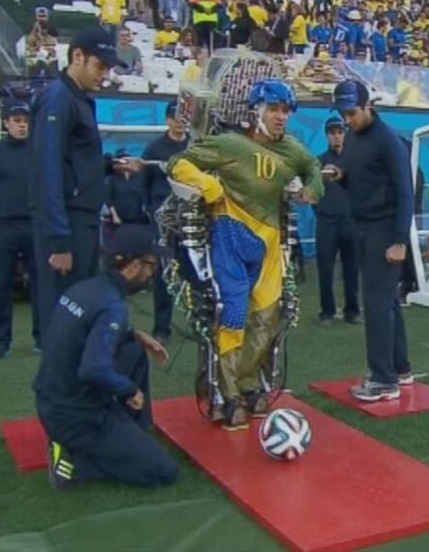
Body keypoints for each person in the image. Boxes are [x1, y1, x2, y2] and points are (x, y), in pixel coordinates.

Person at [167, 79, 323, 431]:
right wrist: (208, 186)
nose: (281, 117)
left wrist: (312, 188)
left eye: (285, 110)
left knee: (267, 320)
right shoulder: (228, 144)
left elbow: (313, 168)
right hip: (229, 239)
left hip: (269, 246)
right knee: (233, 314)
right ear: (257, 111)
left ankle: (249, 384)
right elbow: (177, 163)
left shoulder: (293, 150)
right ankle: (227, 393)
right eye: (274, 109)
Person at [33, 224, 178, 489]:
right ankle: (74, 458)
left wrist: (132, 335)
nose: (151, 274)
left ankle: (129, 433)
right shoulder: (113, 305)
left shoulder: (85, 289)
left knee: (133, 352)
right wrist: (128, 389)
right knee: (163, 471)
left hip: (51, 400)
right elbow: (93, 369)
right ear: (133, 266)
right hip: (76, 417)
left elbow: (79, 338)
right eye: (150, 266)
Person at [30, 27, 144, 337]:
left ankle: (75, 380)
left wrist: (107, 166)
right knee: (65, 315)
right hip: (68, 223)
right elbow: (47, 170)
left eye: (108, 68)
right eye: (100, 66)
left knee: (79, 314)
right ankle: (58, 384)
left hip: (80, 219)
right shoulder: (58, 99)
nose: (104, 75)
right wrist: (59, 240)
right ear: (77, 57)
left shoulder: (74, 98)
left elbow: (72, 161)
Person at [322, 80, 414, 402]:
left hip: (384, 230)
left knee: (375, 303)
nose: (347, 119)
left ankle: (383, 379)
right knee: (385, 302)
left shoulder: (389, 141)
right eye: (343, 114)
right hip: (362, 226)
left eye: (351, 112)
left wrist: (400, 239)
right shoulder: (354, 138)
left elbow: (405, 190)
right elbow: (359, 178)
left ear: (367, 105)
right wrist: (340, 177)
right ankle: (400, 369)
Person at [0, 101, 41, 358]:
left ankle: (43, 338)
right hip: (3, 226)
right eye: (16, 120)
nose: (22, 124)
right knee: (1, 284)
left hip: (33, 225)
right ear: (6, 123)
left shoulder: (38, 151)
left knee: (40, 285)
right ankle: (0, 340)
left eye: (25, 120)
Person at [143, 101, 189, 343]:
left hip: (193, 217)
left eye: (184, 116)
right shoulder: (154, 149)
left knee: (198, 274)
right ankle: (162, 327)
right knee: (164, 274)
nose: (180, 120)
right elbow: (144, 183)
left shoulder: (197, 147)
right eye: (175, 116)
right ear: (167, 120)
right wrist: (151, 212)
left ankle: (200, 323)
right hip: (162, 220)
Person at [315, 116, 359, 326]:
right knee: (325, 269)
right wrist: (322, 213)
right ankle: (327, 312)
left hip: (351, 222)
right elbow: (313, 192)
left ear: (345, 134)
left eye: (339, 132)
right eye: (332, 133)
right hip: (327, 223)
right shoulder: (319, 162)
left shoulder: (353, 161)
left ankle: (353, 311)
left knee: (352, 269)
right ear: (327, 136)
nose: (336, 136)